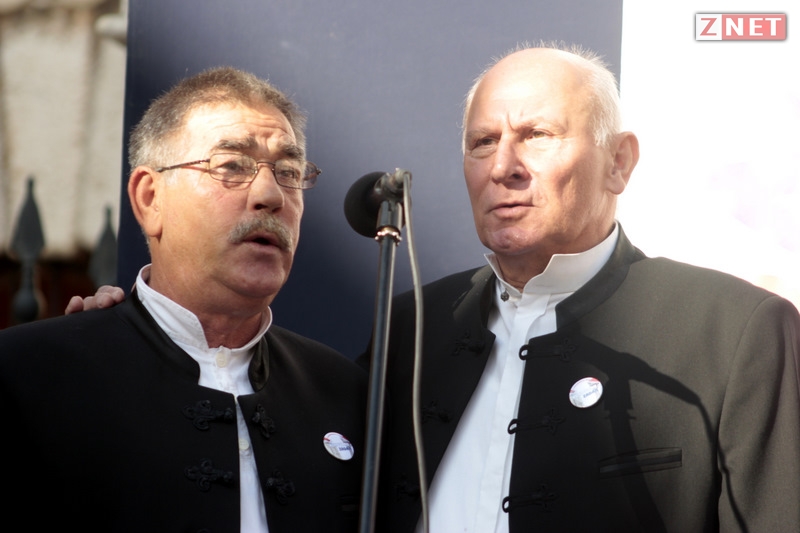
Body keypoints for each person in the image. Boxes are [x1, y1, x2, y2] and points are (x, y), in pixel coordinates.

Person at [375, 44, 800, 532]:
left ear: (618, 162)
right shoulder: (412, 328)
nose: (502, 166)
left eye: (537, 135)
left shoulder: (733, 331)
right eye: (484, 142)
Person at [0, 67, 366, 532]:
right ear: (150, 198)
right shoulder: (28, 375)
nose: (271, 194)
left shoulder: (344, 395)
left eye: (289, 172)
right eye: (231, 166)